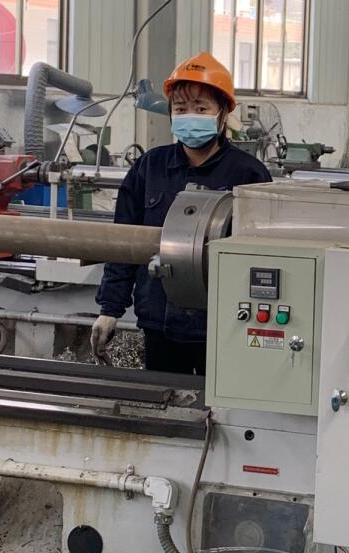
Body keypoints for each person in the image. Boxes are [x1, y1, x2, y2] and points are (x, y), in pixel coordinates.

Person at [91, 52, 271, 374]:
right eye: (181, 108)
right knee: (164, 398)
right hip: (160, 322)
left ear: (223, 113)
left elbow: (262, 256)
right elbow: (122, 243)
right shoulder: (150, 168)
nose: (190, 116)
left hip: (222, 325)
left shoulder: (248, 175)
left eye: (201, 109)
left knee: (218, 403)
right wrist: (109, 309)